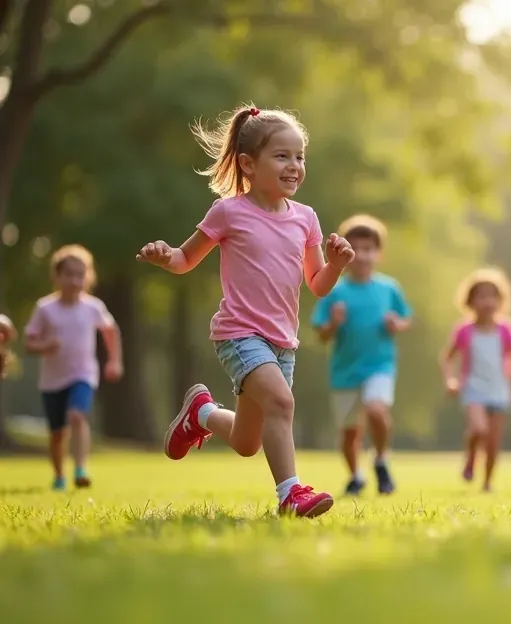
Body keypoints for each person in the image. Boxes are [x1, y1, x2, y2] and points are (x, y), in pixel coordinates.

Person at [137, 104, 354, 518]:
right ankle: (291, 495)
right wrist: (166, 257)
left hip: (282, 342)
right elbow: (185, 260)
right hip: (239, 334)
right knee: (282, 404)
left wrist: (337, 265)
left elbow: (318, 285)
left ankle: (201, 413)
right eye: (282, 156)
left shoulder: (305, 219)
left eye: (299, 156)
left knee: (246, 441)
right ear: (248, 164)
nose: (294, 166)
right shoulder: (228, 212)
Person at [313, 214, 413, 496]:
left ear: (378, 253)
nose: (362, 256)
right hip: (344, 371)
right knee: (349, 433)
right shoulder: (335, 290)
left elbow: (406, 319)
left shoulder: (389, 288)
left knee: (376, 410)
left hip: (380, 365)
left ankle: (381, 460)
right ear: (345, 254)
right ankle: (356, 476)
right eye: (355, 250)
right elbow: (321, 334)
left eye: (369, 249)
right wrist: (333, 323)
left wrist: (397, 323)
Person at [23, 245, 124, 490]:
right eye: (68, 274)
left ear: (88, 278)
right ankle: (59, 475)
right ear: (56, 277)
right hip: (52, 380)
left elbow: (111, 331)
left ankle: (80, 470)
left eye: (80, 275)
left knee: (77, 416)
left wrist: (114, 360)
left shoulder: (93, 307)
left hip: (83, 374)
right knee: (57, 433)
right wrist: (46, 345)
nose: (74, 280)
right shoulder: (45, 308)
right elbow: (29, 342)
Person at [440, 267, 511, 493]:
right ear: (471, 301)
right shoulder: (464, 330)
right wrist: (450, 380)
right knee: (479, 429)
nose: (487, 302)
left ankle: (487, 482)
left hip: (499, 390)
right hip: (473, 388)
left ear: (500, 300)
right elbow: (447, 358)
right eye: (481, 296)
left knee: (493, 441)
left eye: (492, 296)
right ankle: (471, 455)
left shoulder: (506, 329)